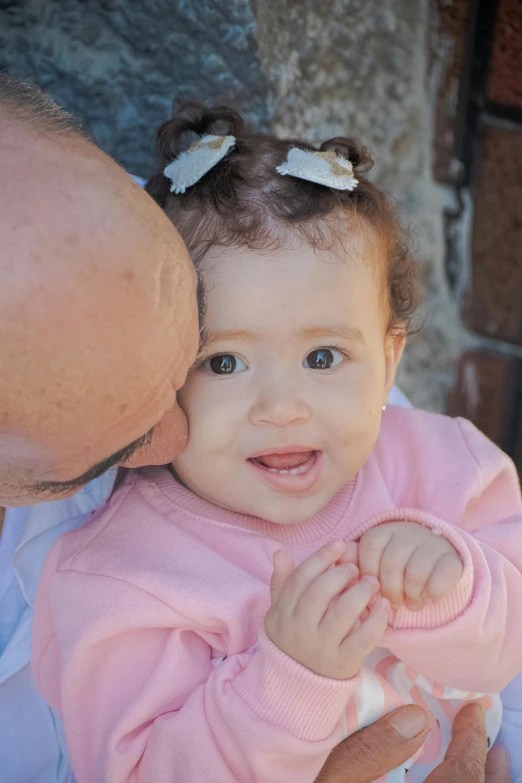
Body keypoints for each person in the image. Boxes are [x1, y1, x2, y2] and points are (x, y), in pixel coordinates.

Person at [31, 104, 522, 783]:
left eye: (323, 357)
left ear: (390, 358)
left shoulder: (443, 465)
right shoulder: (122, 578)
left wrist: (452, 586)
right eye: (225, 362)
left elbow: (509, 648)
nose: (284, 409)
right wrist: (288, 682)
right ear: (160, 368)